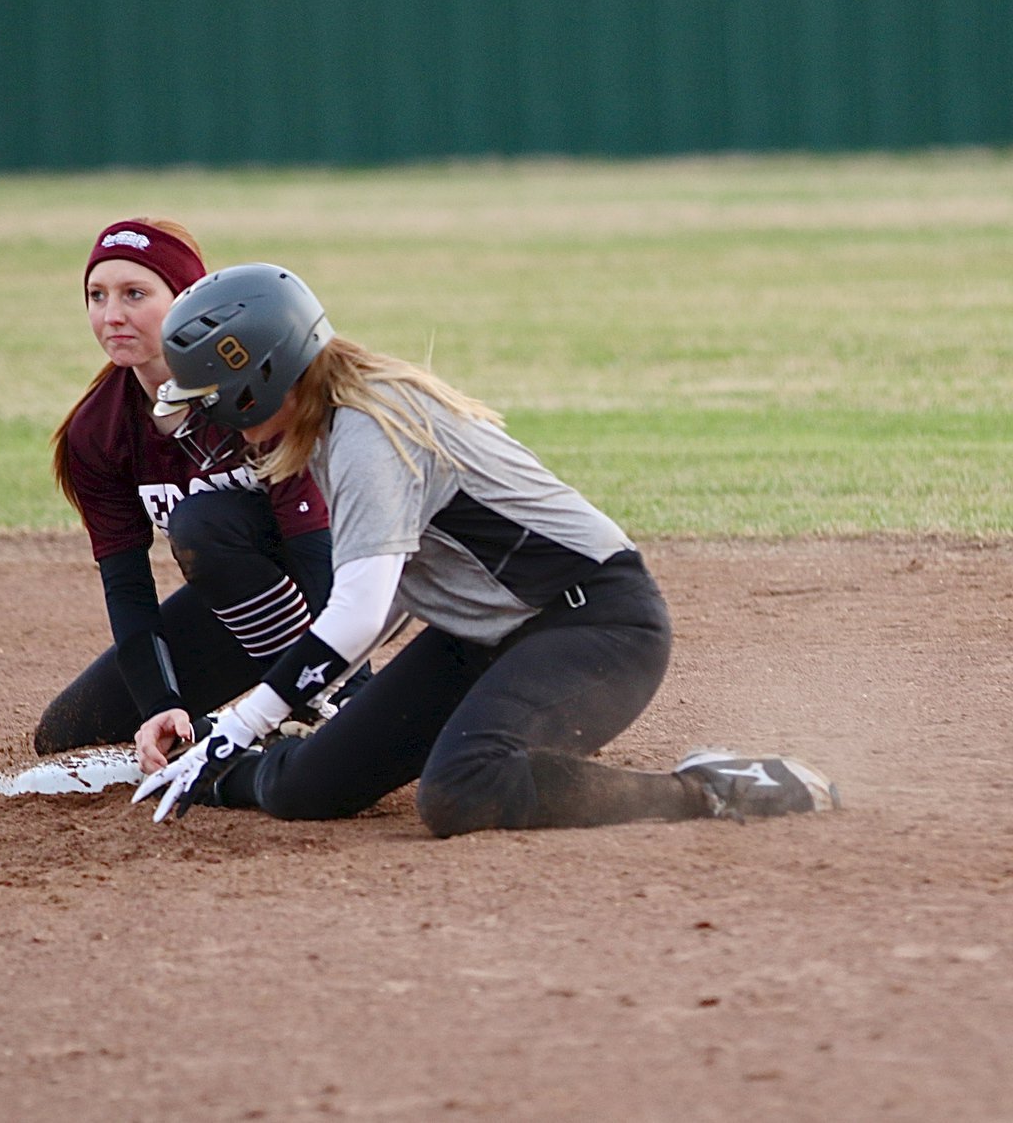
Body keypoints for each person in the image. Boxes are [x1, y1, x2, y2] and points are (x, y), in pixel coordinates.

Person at [132, 263, 840, 836]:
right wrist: (218, 732)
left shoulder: (367, 433)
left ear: (256, 380)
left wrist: (248, 714)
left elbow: (356, 612)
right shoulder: (330, 426)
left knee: (463, 788)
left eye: (214, 395)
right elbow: (370, 610)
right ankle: (208, 770)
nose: (208, 414)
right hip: (487, 632)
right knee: (308, 786)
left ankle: (709, 790)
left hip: (598, 626)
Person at [34, 224, 364, 756]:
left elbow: (318, 549)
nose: (111, 315)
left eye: (135, 294)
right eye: (97, 296)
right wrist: (160, 701)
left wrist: (350, 684)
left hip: (348, 582)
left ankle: (320, 702)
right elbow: (127, 585)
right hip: (243, 606)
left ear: (187, 300)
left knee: (202, 523)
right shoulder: (97, 432)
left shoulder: (256, 388)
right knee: (72, 733)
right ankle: (237, 737)